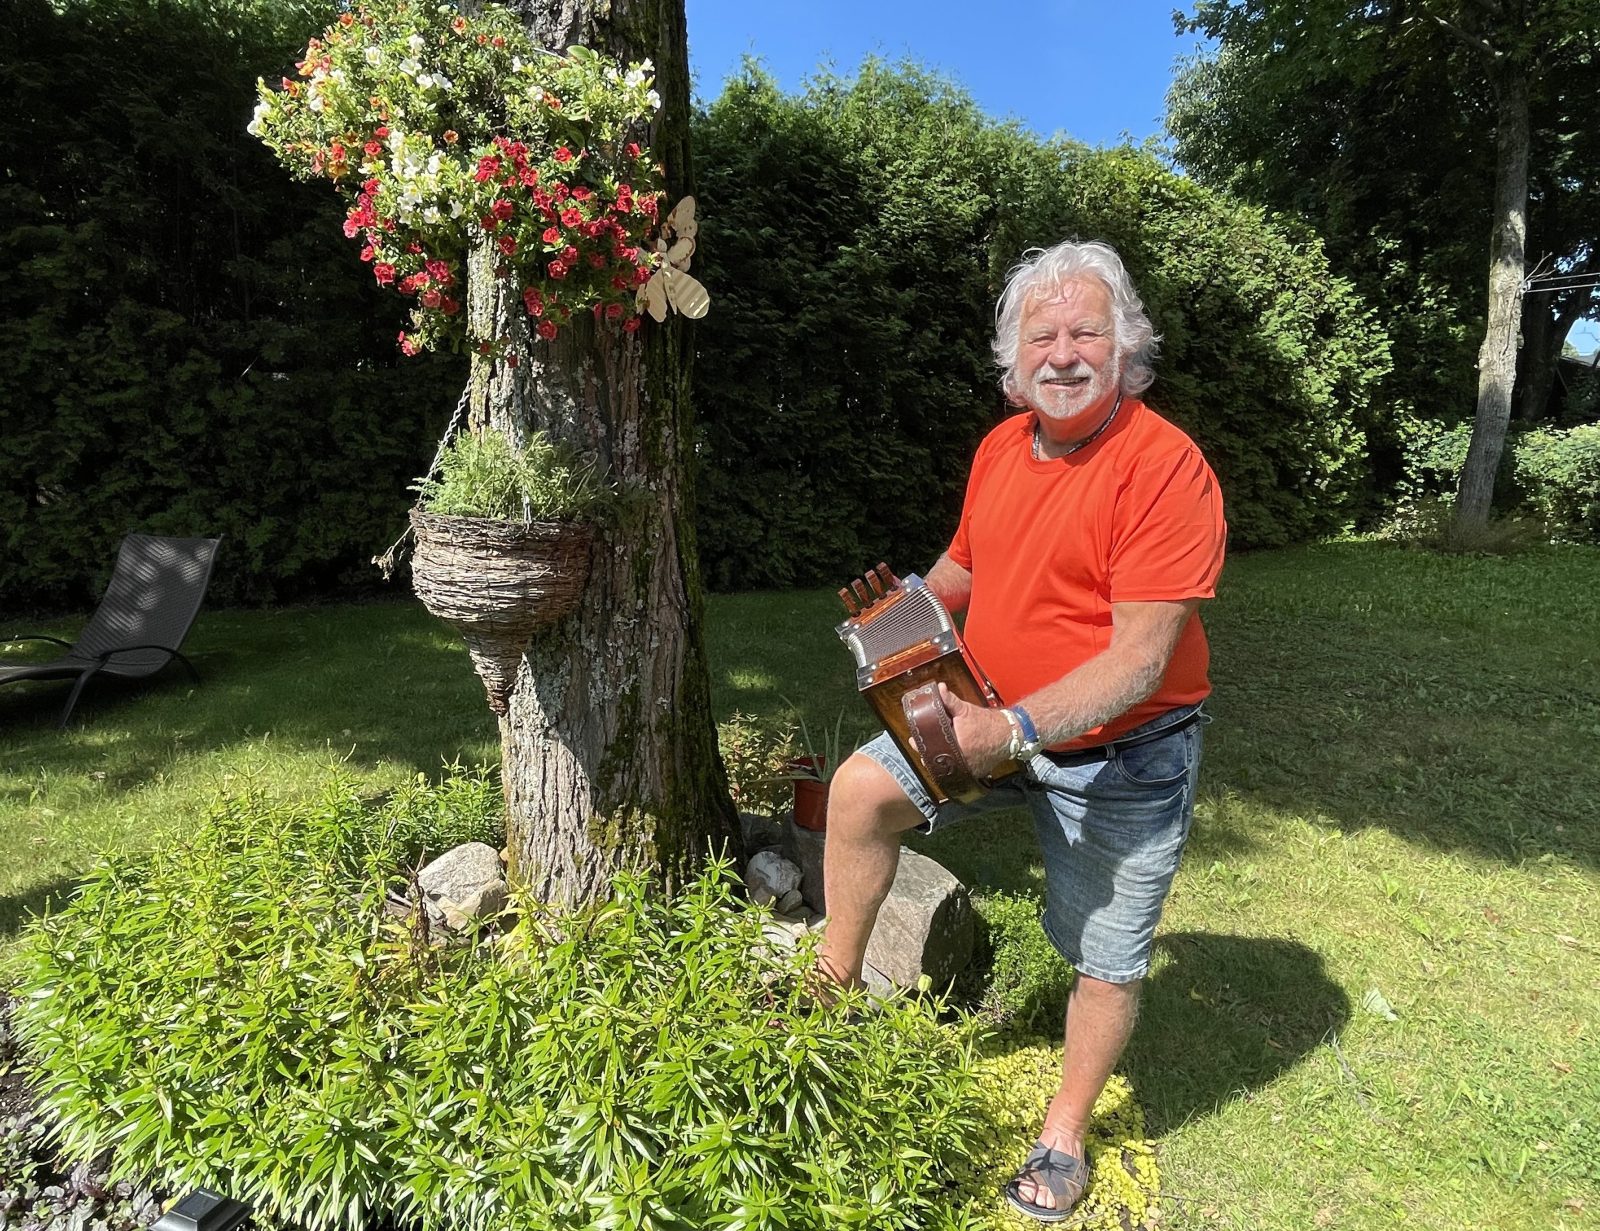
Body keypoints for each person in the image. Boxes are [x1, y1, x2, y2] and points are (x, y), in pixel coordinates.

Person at [816, 239, 1226, 1222]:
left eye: (1087, 329)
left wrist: (1013, 730)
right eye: (1039, 334)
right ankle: (826, 995)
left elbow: (1137, 661)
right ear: (1012, 363)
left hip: (1123, 752)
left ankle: (1063, 1134)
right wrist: (896, 625)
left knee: (1105, 954)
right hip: (980, 712)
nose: (1062, 350)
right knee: (857, 793)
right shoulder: (1001, 448)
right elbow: (963, 570)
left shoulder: (1167, 469)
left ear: (1126, 349)